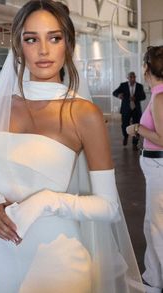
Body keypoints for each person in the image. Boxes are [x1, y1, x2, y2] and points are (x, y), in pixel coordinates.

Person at [0, 1, 144, 292]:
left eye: (54, 38)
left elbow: (109, 207)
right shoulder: (2, 106)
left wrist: (47, 200)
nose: (43, 50)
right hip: (6, 252)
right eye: (32, 39)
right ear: (19, 46)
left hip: (58, 259)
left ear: (68, 45)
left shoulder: (83, 114)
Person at [127, 45, 163, 293]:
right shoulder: (157, 94)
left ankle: (156, 279)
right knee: (152, 223)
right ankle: (153, 276)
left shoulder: (160, 97)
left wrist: (137, 129)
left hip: (159, 165)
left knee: (156, 226)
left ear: (146, 68)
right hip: (155, 166)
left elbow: (162, 137)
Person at [113, 71, 146, 149]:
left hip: (136, 109)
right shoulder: (123, 85)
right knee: (124, 124)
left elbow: (143, 96)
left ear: (135, 77)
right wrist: (118, 95)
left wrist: (136, 98)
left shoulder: (139, 86)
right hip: (126, 109)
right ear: (127, 78)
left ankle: (135, 143)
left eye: (133, 77)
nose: (132, 79)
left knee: (136, 126)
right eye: (130, 77)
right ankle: (125, 136)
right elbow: (114, 92)